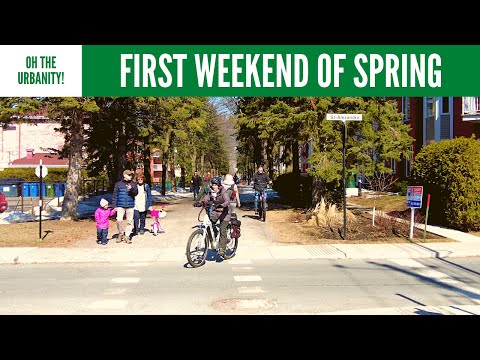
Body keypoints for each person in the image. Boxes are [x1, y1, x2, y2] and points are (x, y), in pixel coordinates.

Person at [200, 177, 231, 259]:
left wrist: (223, 205)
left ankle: (222, 249)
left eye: (216, 185)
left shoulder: (223, 191)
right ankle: (213, 240)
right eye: (213, 185)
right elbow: (206, 199)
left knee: (222, 229)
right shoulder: (211, 192)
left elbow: (227, 201)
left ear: (219, 185)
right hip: (216, 212)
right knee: (209, 224)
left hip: (225, 212)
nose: (214, 186)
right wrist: (200, 202)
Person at [112, 169, 138, 244]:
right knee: (119, 220)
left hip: (130, 206)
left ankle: (127, 236)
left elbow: (136, 193)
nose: (131, 176)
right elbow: (114, 195)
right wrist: (114, 206)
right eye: (129, 175)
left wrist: (131, 189)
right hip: (120, 206)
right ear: (124, 175)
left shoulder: (133, 184)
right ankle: (121, 234)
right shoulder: (118, 184)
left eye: (131, 175)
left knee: (129, 222)